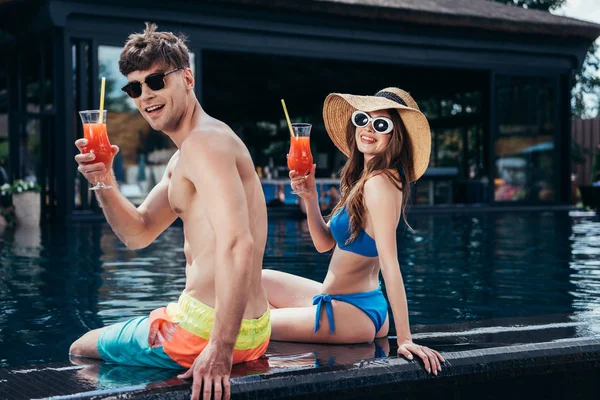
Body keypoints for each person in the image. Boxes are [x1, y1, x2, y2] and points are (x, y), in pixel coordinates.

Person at [70, 23, 270, 400]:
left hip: (204, 331)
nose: (145, 96)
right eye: (134, 88)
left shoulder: (203, 144)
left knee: (81, 347)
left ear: (188, 78)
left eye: (157, 81)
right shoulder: (188, 154)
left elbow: (238, 243)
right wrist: (104, 180)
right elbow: (139, 233)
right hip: (253, 331)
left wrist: (220, 348)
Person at [262, 88, 445, 375]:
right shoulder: (366, 179)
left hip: (352, 315)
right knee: (256, 281)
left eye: (381, 124)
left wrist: (406, 338)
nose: (368, 129)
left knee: (245, 324)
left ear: (395, 137)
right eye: (363, 119)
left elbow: (390, 264)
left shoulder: (379, 184)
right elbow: (325, 245)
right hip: (341, 301)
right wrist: (309, 197)